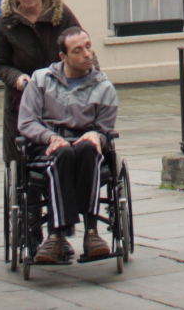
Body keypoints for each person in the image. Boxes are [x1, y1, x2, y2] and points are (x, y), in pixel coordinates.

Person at [17, 26, 118, 265]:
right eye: (78, 50)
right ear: (63, 57)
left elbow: (105, 128)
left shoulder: (104, 88)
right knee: (62, 154)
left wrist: (97, 136)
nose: (87, 54)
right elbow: (27, 121)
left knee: (87, 150)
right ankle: (56, 235)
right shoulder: (41, 81)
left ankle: (91, 234)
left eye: (88, 46)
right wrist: (49, 137)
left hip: (85, 146)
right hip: (48, 146)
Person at [0, 0, 80, 150]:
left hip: (62, 93)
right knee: (22, 153)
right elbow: (0, 63)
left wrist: (92, 75)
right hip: (22, 98)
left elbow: (80, 47)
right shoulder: (4, 24)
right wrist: (17, 78)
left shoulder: (62, 15)